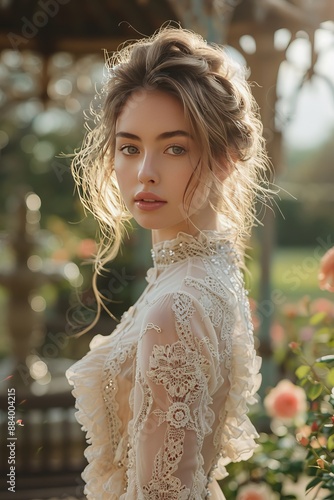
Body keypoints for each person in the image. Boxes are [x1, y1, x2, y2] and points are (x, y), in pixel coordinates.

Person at [66, 26, 271, 499]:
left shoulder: (178, 303)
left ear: (226, 157)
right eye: (130, 147)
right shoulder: (211, 275)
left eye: (174, 147)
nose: (145, 173)